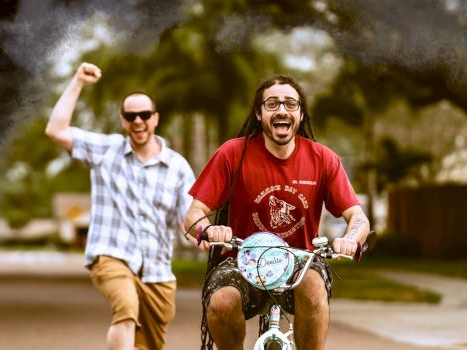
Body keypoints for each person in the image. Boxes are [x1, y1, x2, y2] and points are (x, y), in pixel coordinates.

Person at [183, 74, 371, 350]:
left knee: (313, 283)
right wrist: (208, 229)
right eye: (272, 104)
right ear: (259, 114)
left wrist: (351, 238)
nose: (281, 110)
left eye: (290, 104)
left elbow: (358, 217)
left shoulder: (323, 158)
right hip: (241, 260)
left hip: (301, 260)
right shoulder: (232, 154)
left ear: (301, 114)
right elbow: (192, 216)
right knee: (222, 301)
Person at [45, 62, 195, 350]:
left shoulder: (178, 167)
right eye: (131, 116)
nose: (138, 121)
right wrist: (77, 81)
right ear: (123, 120)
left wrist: (208, 239)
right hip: (111, 255)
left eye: (144, 115)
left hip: (157, 271)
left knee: (149, 344)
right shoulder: (106, 150)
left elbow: (188, 219)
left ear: (155, 119)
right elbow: (55, 130)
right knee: (125, 311)